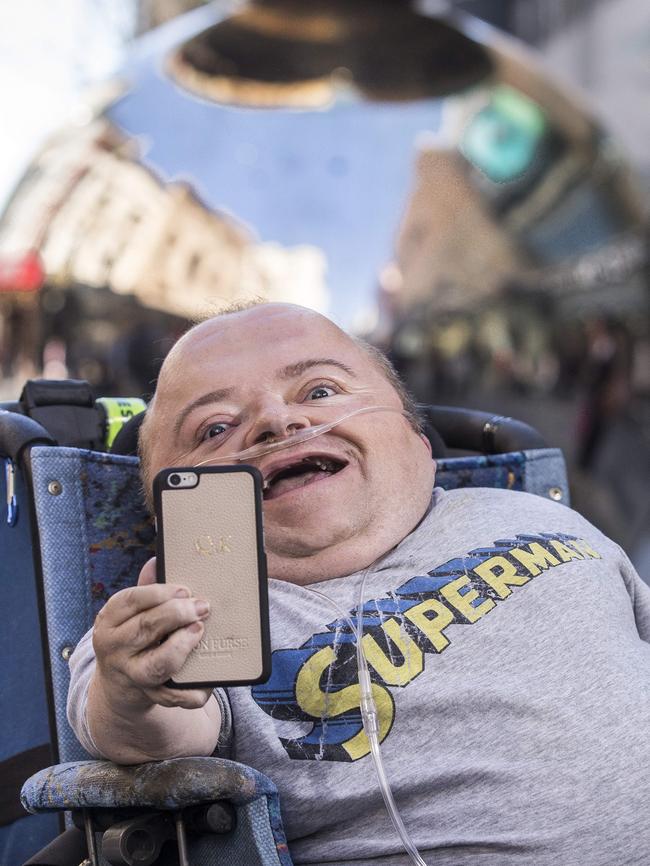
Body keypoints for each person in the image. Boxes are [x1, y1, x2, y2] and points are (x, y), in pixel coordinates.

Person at [68, 302, 650, 866]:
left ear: (419, 441)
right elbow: (144, 729)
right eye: (215, 428)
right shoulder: (197, 612)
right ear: (163, 512)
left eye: (320, 392)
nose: (277, 422)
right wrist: (132, 687)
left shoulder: (533, 513)